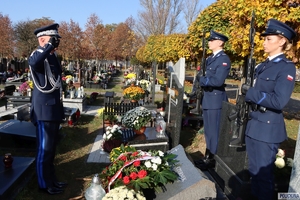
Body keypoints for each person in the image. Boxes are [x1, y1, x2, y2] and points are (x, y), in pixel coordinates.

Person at [242, 19, 296, 200]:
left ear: (282, 41)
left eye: (269, 39)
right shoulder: (262, 65)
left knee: (263, 177)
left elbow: (279, 101)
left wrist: (250, 93)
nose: (264, 43)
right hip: (254, 123)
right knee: (254, 172)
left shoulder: (286, 67)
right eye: (264, 39)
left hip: (267, 128)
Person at [28, 23, 67, 195]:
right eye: (53, 39)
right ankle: (44, 185)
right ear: (43, 39)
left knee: (51, 150)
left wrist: (51, 49)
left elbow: (57, 78)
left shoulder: (51, 56)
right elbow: (35, 63)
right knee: (44, 150)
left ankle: (52, 180)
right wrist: (48, 46)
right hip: (43, 111)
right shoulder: (37, 55)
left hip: (53, 109)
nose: (56, 42)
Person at [194, 30, 231, 170]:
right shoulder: (210, 59)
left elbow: (217, 81)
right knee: (209, 130)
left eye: (212, 40)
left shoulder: (223, 59)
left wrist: (202, 80)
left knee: (214, 131)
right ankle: (207, 157)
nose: (209, 42)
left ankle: (212, 160)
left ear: (220, 42)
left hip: (215, 100)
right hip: (208, 99)